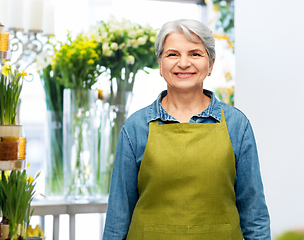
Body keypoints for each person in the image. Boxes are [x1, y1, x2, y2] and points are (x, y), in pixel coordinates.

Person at [102, 19, 270, 240]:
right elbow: (118, 217)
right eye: (172, 54)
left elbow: (254, 215)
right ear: (160, 64)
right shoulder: (135, 127)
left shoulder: (237, 125)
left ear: (210, 64)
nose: (183, 63)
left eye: (195, 54)